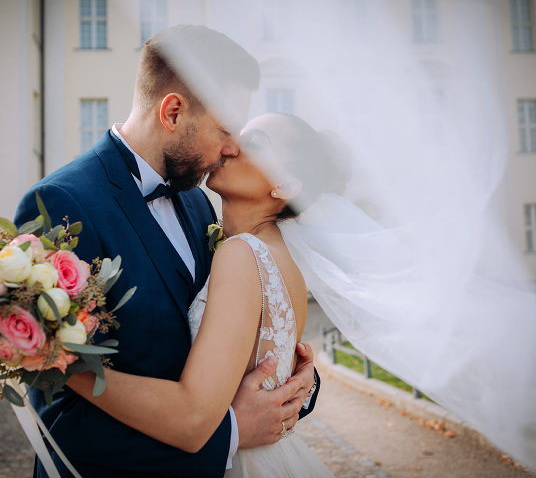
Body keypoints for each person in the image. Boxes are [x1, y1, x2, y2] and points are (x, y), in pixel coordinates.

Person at [13, 26, 318, 478]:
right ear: (173, 111)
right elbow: (58, 415)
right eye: (225, 130)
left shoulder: (198, 198)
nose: (232, 148)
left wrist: (297, 385)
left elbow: (232, 338)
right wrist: (230, 433)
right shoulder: (62, 204)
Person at [67, 112, 337, 477]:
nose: (230, 145)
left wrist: (65, 366)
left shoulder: (242, 253)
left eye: (255, 143)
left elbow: (193, 414)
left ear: (286, 185)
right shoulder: (273, 253)